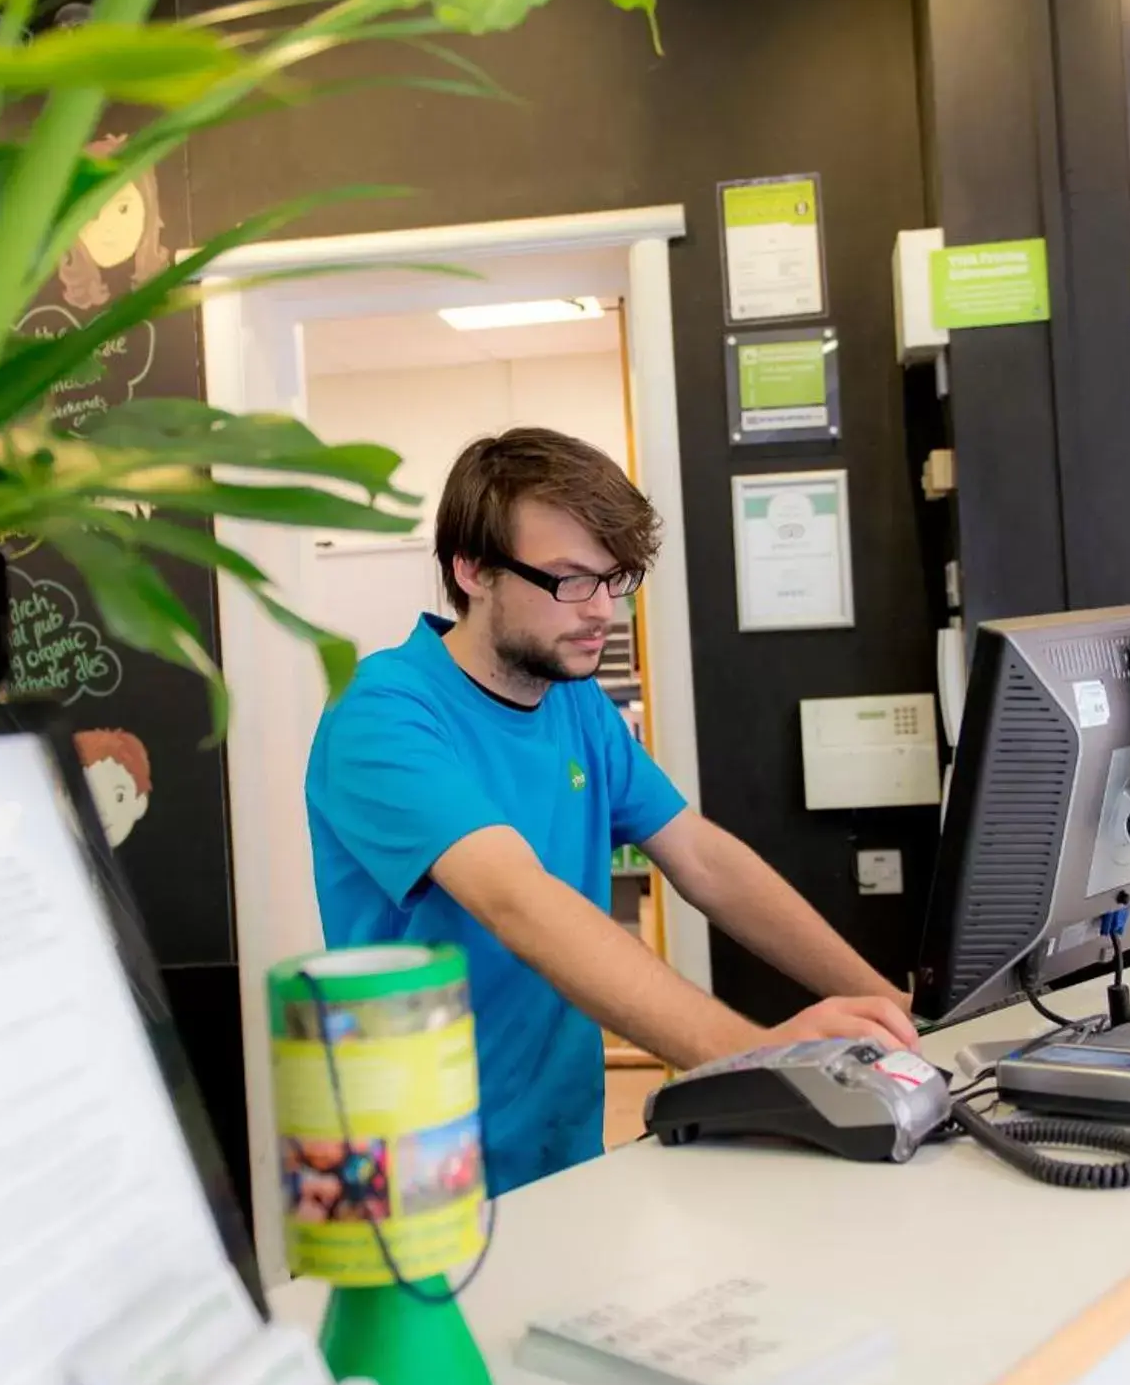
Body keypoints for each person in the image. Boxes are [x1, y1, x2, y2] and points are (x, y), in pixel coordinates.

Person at [305, 427, 918, 1195]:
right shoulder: (382, 712)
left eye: (613, 578)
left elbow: (702, 860)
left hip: (557, 1150)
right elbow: (517, 902)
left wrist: (897, 1007)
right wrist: (757, 1057)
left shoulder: (575, 705)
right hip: (408, 1169)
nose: (602, 610)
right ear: (472, 570)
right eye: (568, 580)